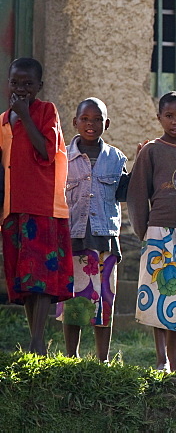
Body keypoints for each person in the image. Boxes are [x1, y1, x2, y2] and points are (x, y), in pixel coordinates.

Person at [127, 91, 176, 373]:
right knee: (159, 296)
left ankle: (175, 362)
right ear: (159, 117)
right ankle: (160, 359)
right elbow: (137, 194)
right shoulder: (152, 150)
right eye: (169, 116)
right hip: (158, 233)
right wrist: (144, 232)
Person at [0, 57, 74, 355]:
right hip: (13, 207)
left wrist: (26, 116)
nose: (21, 89)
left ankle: (38, 340)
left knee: (41, 274)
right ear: (8, 83)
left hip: (43, 205)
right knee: (24, 277)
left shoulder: (46, 112)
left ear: (39, 86)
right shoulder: (4, 121)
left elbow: (45, 151)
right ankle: (34, 339)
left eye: (28, 84)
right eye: (16, 83)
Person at [57, 97, 129, 362]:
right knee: (75, 299)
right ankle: (71, 355)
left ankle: (103, 357)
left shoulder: (116, 158)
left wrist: (142, 161)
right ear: (75, 122)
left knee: (105, 299)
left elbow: (123, 193)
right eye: (85, 119)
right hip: (74, 236)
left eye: (97, 119)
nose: (91, 124)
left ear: (106, 123)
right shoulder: (64, 157)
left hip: (105, 240)